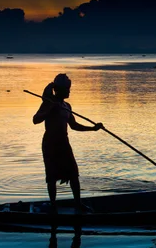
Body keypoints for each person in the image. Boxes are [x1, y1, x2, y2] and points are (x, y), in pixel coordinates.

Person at [33, 74, 103, 212]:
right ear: (60, 89)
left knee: (73, 174)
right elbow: (35, 120)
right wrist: (48, 109)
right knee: (51, 177)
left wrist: (93, 128)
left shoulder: (66, 106)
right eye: (67, 89)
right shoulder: (49, 103)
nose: (70, 91)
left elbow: (74, 125)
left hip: (64, 143)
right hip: (50, 144)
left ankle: (78, 203)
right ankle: (53, 206)